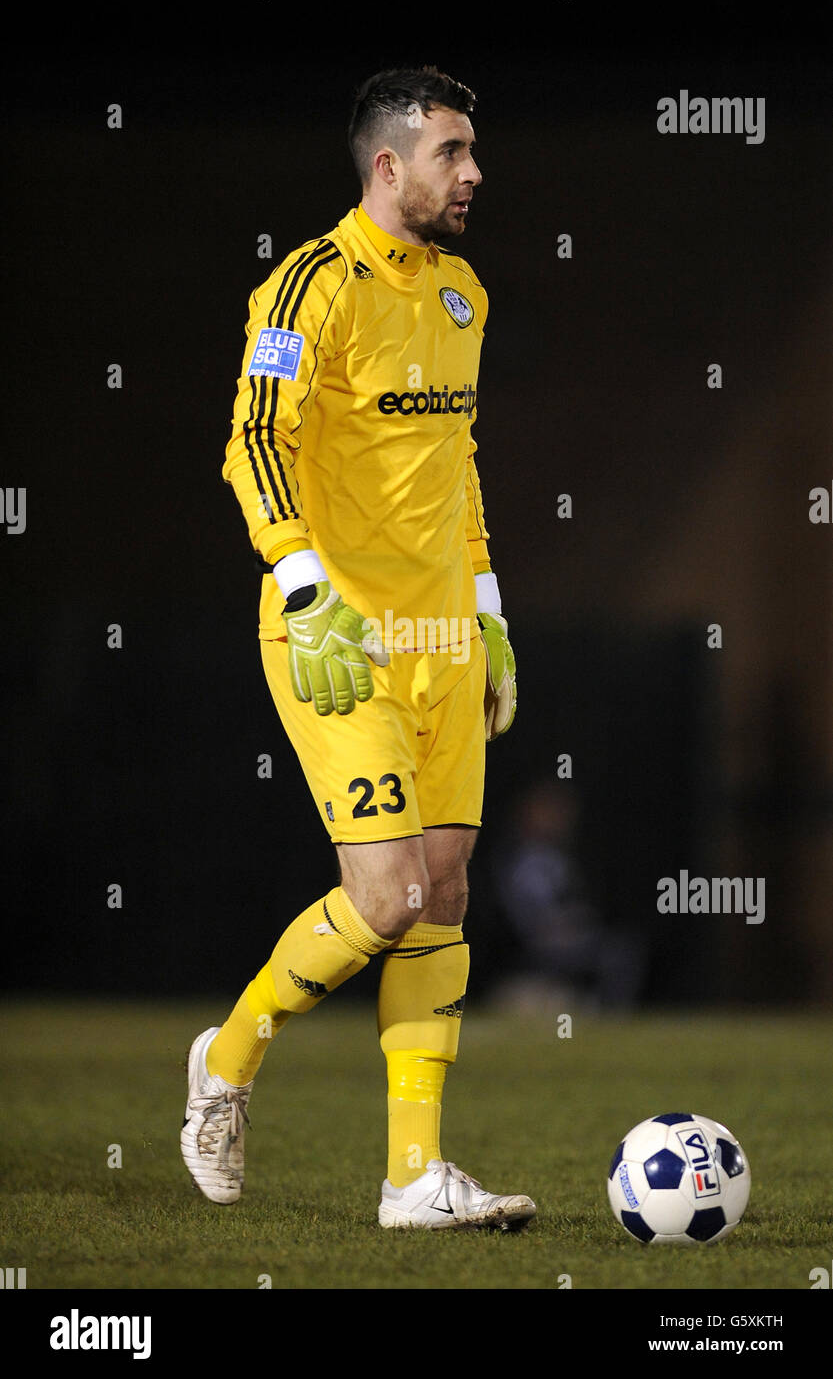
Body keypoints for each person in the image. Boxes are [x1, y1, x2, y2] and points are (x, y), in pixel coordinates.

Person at [181, 65, 535, 1231]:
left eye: (472, 150)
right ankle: (227, 1062)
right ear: (388, 165)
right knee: (383, 899)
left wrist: (484, 609)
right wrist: (302, 581)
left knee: (442, 897)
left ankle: (412, 1179)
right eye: (452, 151)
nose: (473, 171)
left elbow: (460, 466)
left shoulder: (462, 296)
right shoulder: (306, 288)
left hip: (442, 640)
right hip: (335, 635)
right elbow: (254, 443)